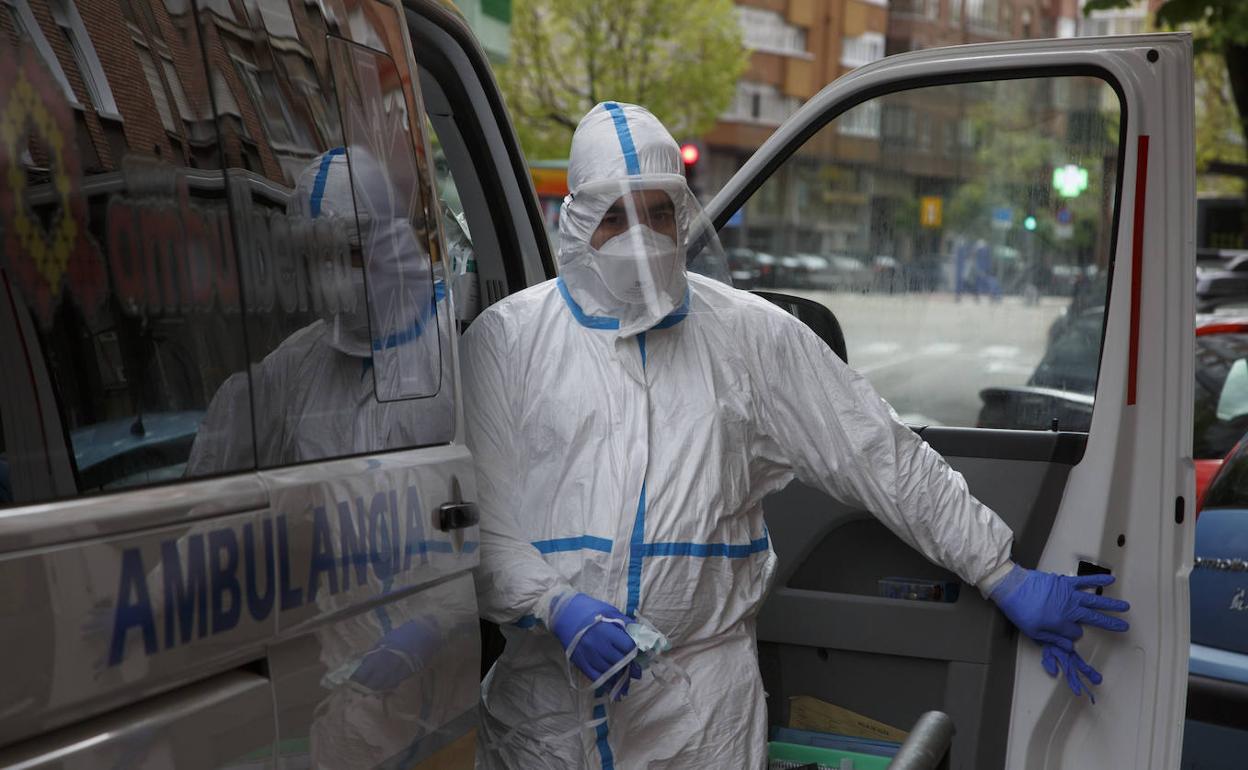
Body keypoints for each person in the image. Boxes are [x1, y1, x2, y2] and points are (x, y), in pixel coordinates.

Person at [461, 102, 1129, 769]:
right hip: (543, 717)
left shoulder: (750, 337)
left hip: (698, 719)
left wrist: (1000, 572)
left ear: (682, 215)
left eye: (659, 213)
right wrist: (556, 606)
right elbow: (472, 518)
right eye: (615, 216)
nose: (643, 239)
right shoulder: (509, 341)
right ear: (579, 222)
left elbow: (877, 453)